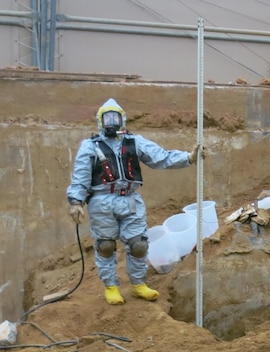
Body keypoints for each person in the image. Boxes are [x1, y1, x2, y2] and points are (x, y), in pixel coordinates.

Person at [66, 98, 202, 305]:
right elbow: (81, 175)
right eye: (107, 118)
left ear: (123, 119)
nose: (111, 121)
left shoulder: (135, 142)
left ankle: (138, 284)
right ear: (100, 121)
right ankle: (111, 286)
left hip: (130, 199)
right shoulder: (90, 146)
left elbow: (161, 157)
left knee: (138, 244)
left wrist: (188, 158)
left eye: (115, 117)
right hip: (102, 201)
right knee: (105, 245)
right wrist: (76, 201)